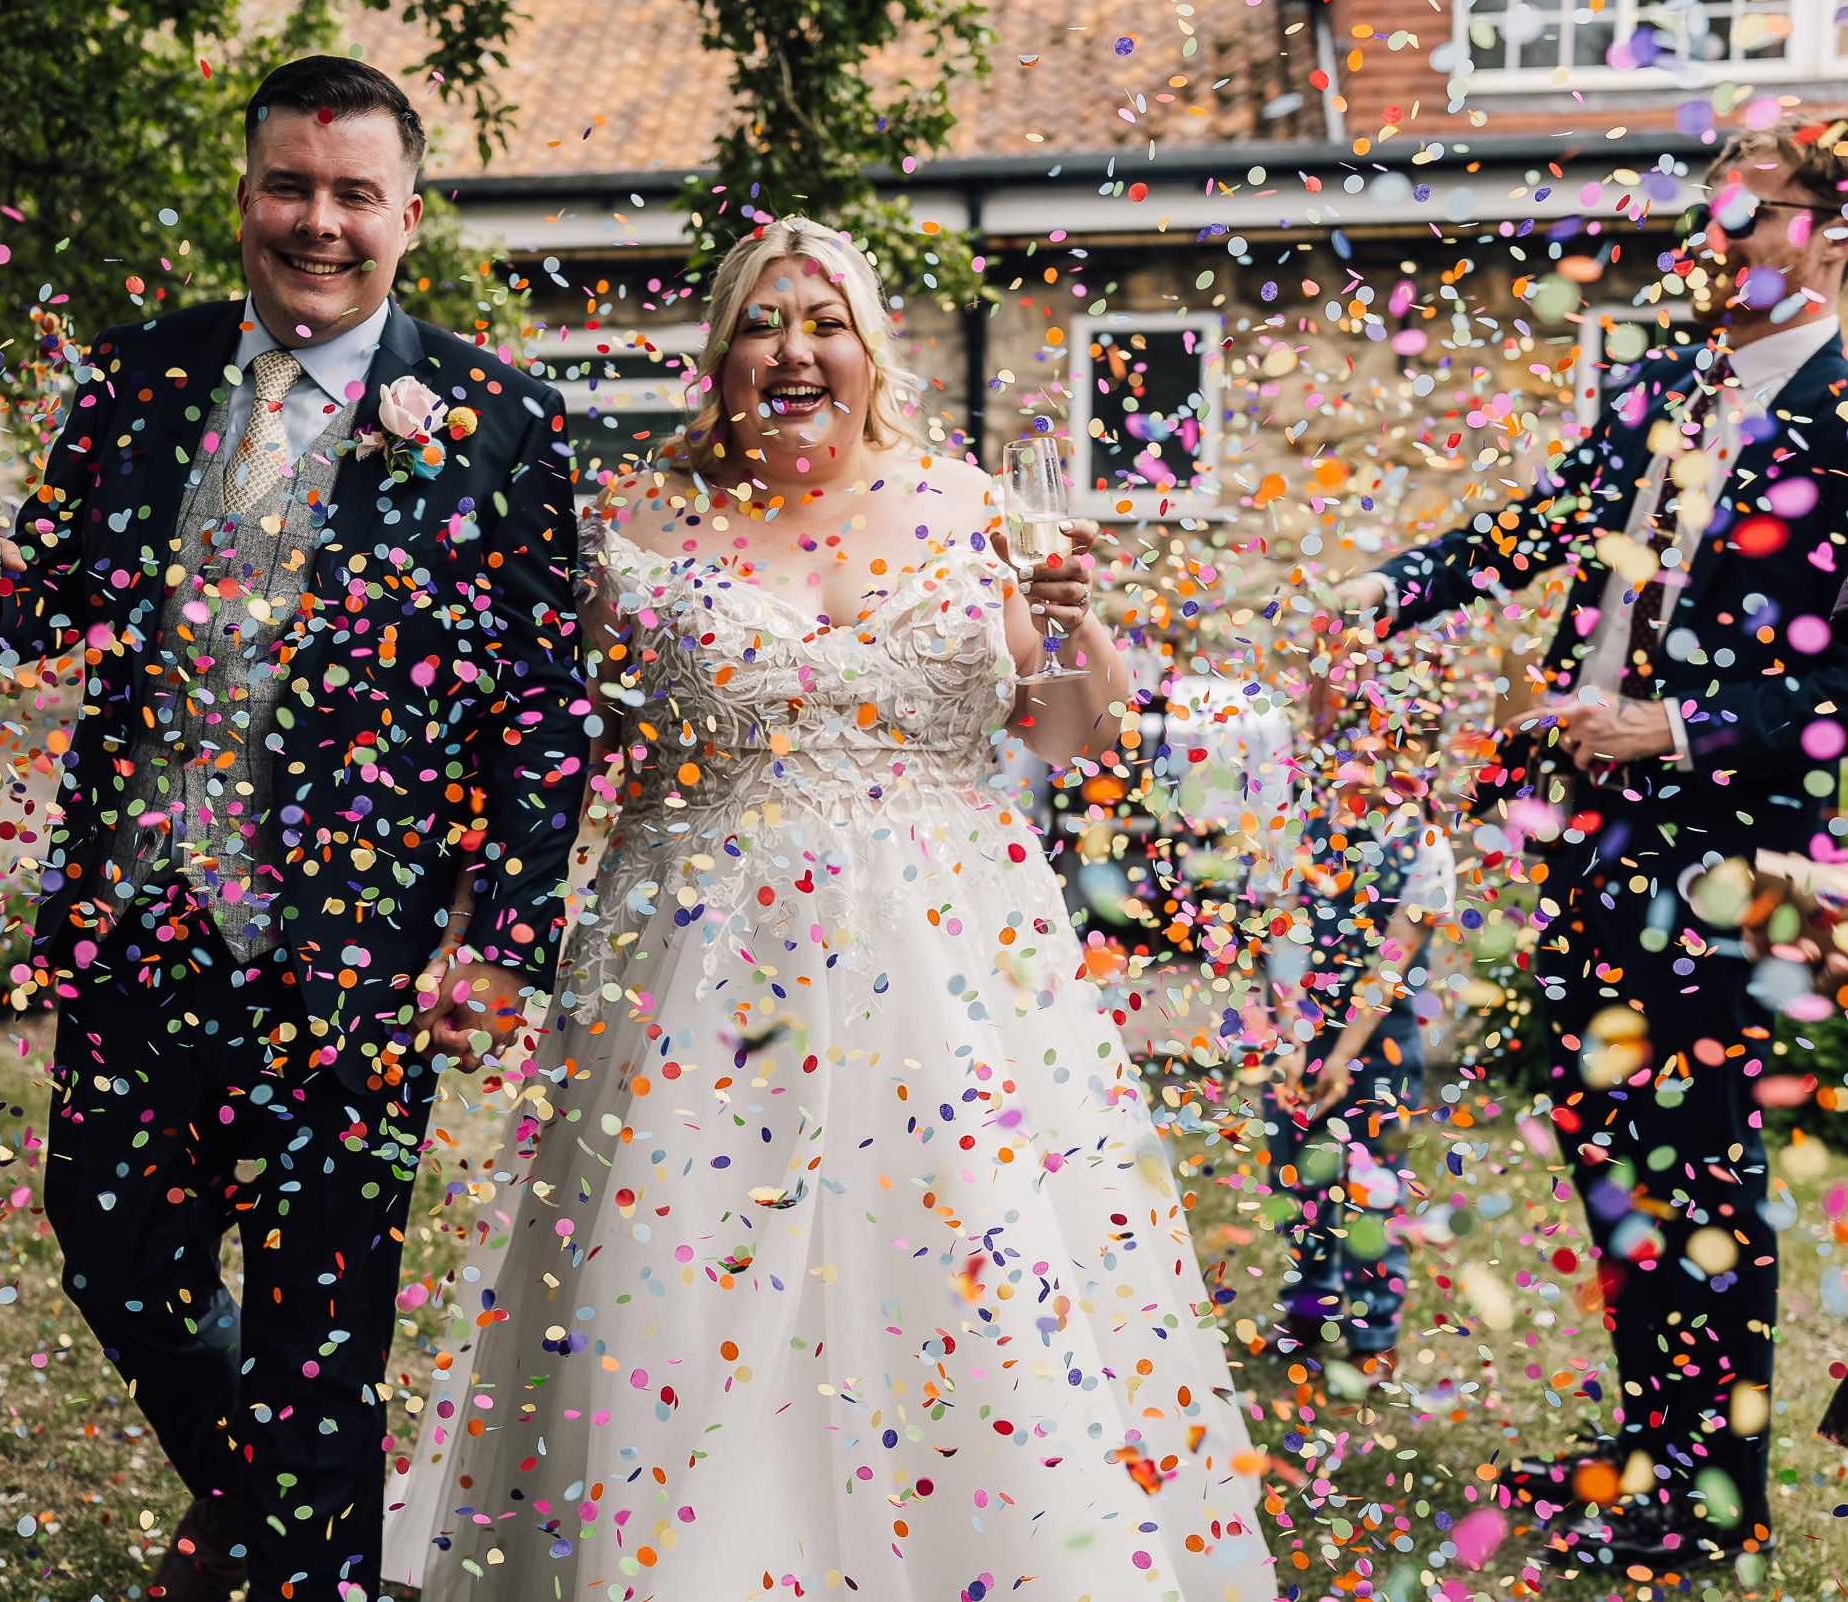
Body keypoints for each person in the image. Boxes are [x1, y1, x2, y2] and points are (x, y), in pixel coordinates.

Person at [389, 216, 1278, 1600]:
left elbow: (1075, 735)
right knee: (681, 1302)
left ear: (874, 353)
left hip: (947, 971)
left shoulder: (978, 508)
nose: (793, 350)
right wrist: (480, 923)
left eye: (826, 322)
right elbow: (545, 747)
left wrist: (1079, 616)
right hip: (695, 972)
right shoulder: (633, 521)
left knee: (966, 1296)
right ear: (718, 355)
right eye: (761, 321)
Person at [0, 56, 587, 1601]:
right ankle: (284, 1505)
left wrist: (505, 939)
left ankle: (308, 1563)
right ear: (244, 199)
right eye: (291, 185)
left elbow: (543, 707)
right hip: (142, 917)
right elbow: (54, 596)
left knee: (321, 1318)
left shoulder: (498, 421)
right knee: (113, 1254)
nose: (319, 222)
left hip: (355, 955)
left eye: (354, 193)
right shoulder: (141, 375)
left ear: (411, 213)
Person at [1332, 118, 1848, 1567]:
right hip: (1585, 831)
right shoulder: (1664, 377)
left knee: (1700, 1161)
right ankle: (1648, 1443)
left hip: (1724, 848)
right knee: (1606, 1142)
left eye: (1753, 212)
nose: (1721, 234)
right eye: (1715, 208)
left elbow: (1837, 686)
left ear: (1827, 230)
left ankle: (1714, 1492)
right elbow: (1543, 519)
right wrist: (1388, 583)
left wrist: (1679, 731)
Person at [1260, 690, 1450, 1373]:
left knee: (1373, 1185)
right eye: (1353, 748)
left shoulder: (1426, 845)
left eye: (1387, 750)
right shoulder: (1294, 830)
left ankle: (1374, 1332)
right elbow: (1283, 933)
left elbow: (1391, 961)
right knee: (1300, 1177)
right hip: (1297, 1036)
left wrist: (1340, 1054)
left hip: (1378, 1044)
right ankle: (1311, 1303)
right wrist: (1290, 1041)